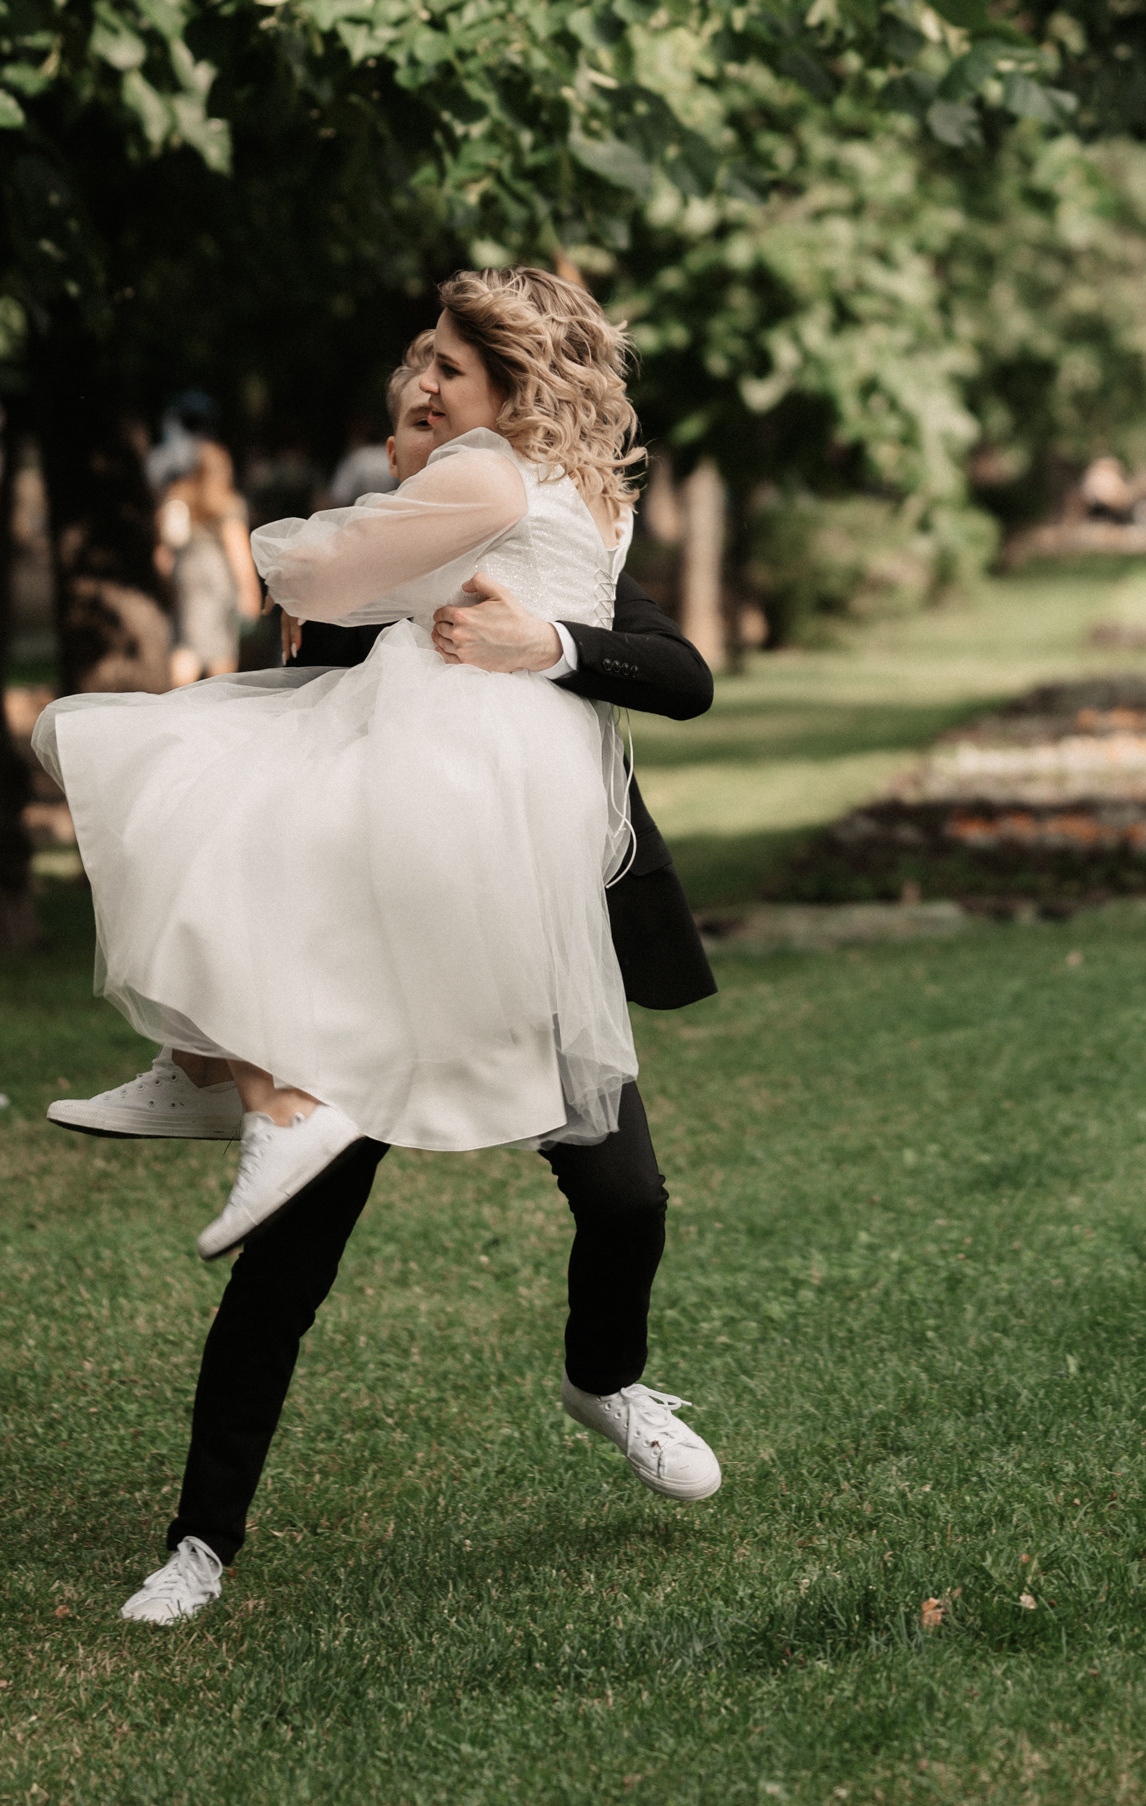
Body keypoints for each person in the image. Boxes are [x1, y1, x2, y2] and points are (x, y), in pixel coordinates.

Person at [47, 308, 725, 1623]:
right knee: (288, 1254)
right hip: (370, 940)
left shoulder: (562, 526)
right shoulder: (421, 516)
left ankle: (610, 1382)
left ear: (514, 387)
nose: (419, 381)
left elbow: (682, 677)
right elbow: (316, 694)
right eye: (416, 366)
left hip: (519, 932)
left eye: (448, 368)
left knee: (628, 1198)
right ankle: (200, 1543)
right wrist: (371, 561)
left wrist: (554, 650)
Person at [158, 439, 260, 683]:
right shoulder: (227, 503)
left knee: (187, 642)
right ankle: (214, 705)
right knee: (219, 648)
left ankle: (176, 704)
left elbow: (162, 554)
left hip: (186, 572)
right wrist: (250, 590)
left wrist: (171, 582)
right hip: (217, 577)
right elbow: (238, 551)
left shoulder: (178, 497)